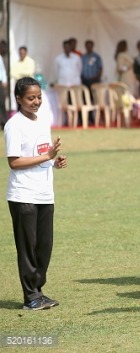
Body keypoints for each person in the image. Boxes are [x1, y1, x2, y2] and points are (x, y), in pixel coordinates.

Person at [4, 77, 68, 310]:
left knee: (44, 246)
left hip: (44, 194)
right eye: (30, 98)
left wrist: (53, 163)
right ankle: (30, 296)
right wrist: (47, 157)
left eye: (39, 97)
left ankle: (38, 291)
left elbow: (41, 153)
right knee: (28, 248)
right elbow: (14, 162)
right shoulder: (14, 124)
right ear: (19, 99)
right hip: (23, 196)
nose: (36, 101)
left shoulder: (42, 121)